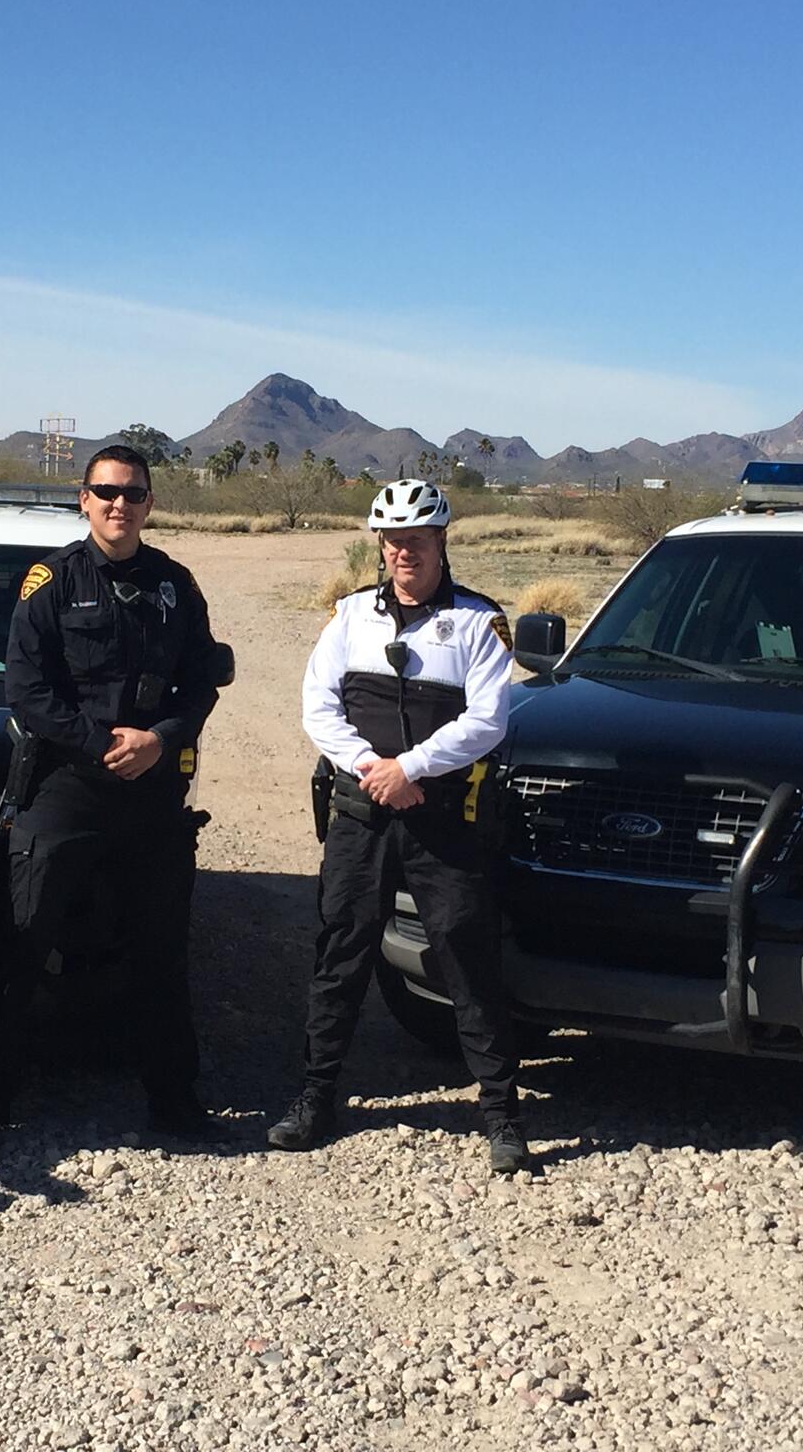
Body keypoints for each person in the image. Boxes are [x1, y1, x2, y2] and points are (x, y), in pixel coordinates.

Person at [0, 444, 226, 1152]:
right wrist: (99, 743)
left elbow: (203, 681)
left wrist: (162, 739)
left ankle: (174, 1103)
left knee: (161, 954)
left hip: (151, 789)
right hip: (67, 784)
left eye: (133, 494)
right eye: (106, 492)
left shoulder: (175, 585)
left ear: (149, 504)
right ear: (83, 499)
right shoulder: (50, 580)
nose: (120, 504)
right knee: (19, 945)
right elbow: (27, 689)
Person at [269, 478, 530, 1174]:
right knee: (341, 954)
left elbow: (487, 722)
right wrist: (368, 766)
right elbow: (318, 705)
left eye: (416, 540)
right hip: (359, 816)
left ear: (442, 541)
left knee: (467, 957)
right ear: (379, 547)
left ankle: (502, 1116)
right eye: (392, 542)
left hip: (444, 823)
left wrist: (411, 768)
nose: (402, 553)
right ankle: (316, 1098)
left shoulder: (477, 621)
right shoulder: (351, 617)